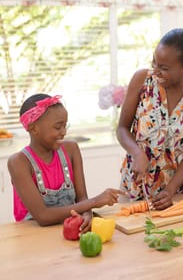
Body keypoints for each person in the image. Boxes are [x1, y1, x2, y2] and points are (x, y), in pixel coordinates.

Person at [116, 28, 183, 210]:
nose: (156, 71)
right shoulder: (142, 80)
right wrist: (137, 153)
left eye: (164, 68)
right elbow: (122, 129)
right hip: (135, 186)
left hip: (176, 193)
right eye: (154, 62)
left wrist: (170, 190)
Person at [8, 93, 124, 230]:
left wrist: (87, 214)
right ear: (34, 128)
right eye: (57, 127)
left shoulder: (71, 149)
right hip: (31, 236)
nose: (63, 132)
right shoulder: (19, 162)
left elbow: (82, 198)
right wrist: (94, 202)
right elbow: (43, 216)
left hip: (67, 229)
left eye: (65, 126)